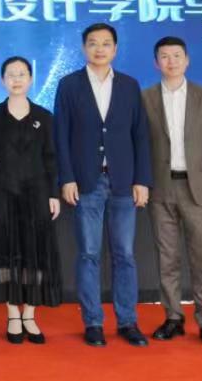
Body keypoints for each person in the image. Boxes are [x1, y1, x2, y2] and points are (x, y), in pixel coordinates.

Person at [54, 22, 153, 348]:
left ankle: (127, 322)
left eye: (106, 43)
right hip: (86, 181)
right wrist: (67, 177)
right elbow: (61, 135)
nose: (99, 49)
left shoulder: (129, 85)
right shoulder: (69, 85)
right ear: (84, 48)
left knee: (125, 254)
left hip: (123, 180)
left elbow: (140, 135)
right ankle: (93, 322)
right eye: (93, 43)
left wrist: (142, 179)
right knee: (89, 254)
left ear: (115, 49)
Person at [141, 37, 202, 349]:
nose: (171, 61)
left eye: (177, 55)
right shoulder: (145, 98)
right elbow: (140, 145)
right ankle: (173, 317)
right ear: (156, 63)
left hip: (198, 188)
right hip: (160, 187)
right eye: (164, 57)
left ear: (187, 60)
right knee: (167, 258)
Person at [0, 56, 63, 344]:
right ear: (2, 80)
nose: (16, 79)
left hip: (37, 192)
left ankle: (30, 314)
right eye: (11, 74)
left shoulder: (44, 116)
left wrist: (53, 194)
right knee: (6, 250)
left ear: (31, 79)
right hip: (3, 191)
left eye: (22, 74)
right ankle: (13, 312)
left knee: (34, 251)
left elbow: (51, 159)